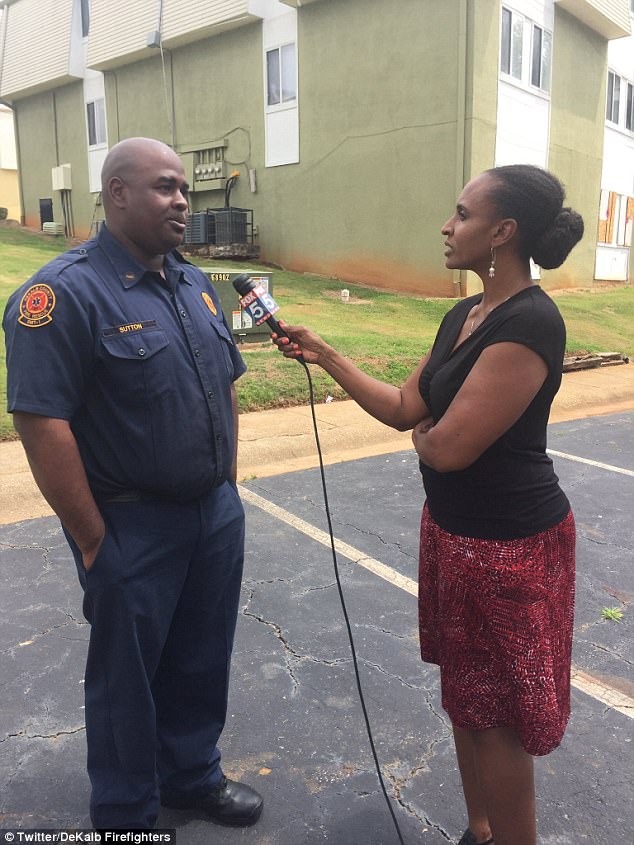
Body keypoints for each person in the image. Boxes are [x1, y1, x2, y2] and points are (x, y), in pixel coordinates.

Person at [273, 164, 583, 845]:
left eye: (463, 214)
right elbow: (404, 407)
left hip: (508, 549)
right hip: (452, 534)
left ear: (502, 232)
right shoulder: (463, 317)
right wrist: (324, 353)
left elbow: (448, 450)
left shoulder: (531, 322)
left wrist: (429, 436)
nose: (447, 226)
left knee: (498, 720)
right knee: (466, 698)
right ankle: (480, 829)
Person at [2, 137, 263, 831]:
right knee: (127, 679)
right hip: (129, 524)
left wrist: (226, 488)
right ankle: (127, 813)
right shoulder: (61, 294)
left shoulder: (192, 284)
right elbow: (42, 421)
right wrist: (93, 539)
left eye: (184, 189)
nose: (183, 201)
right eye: (165, 187)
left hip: (211, 514)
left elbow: (225, 383)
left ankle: (191, 775)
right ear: (117, 193)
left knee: (201, 657)